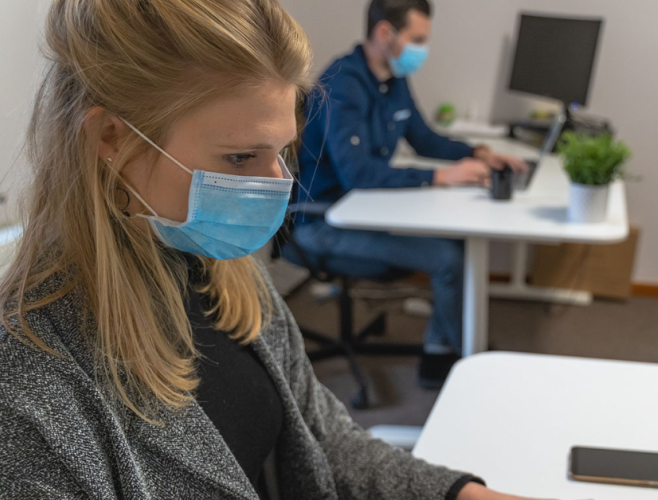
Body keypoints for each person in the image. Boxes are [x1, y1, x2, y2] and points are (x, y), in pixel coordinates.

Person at [0, 1, 558, 499]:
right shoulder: (28, 389)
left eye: (283, 151)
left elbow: (321, 438)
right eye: (242, 159)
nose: (278, 185)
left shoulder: (224, 269)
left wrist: (457, 494)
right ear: (112, 140)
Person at [296, 0, 526, 388]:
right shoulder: (343, 84)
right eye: (417, 39)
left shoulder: (391, 76)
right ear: (385, 34)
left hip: (366, 208)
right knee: (447, 257)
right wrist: (442, 177)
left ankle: (442, 347)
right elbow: (358, 173)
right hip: (321, 218)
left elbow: (422, 138)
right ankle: (448, 359)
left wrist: (476, 153)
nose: (422, 49)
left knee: (461, 240)